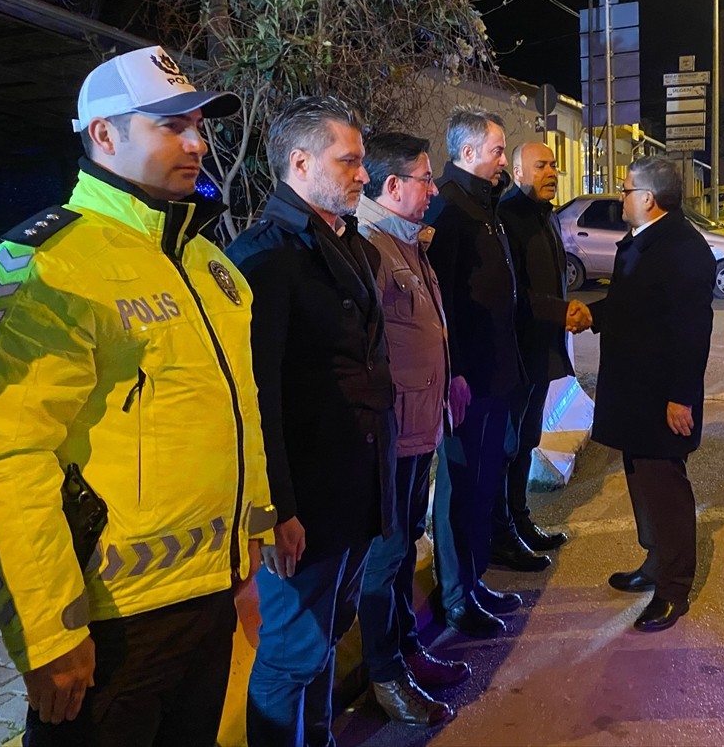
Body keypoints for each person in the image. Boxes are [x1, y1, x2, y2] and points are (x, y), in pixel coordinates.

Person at [0, 45, 274, 744]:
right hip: (107, 625)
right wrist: (47, 634)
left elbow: (241, 410)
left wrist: (248, 546)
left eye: (199, 125)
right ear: (104, 135)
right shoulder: (43, 268)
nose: (197, 143)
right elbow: (2, 461)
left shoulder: (209, 263)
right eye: (171, 126)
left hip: (208, 598)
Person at [226, 95, 397, 745]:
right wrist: (276, 507)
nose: (363, 173)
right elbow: (257, 399)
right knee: (290, 654)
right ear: (300, 162)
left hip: (356, 490)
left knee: (323, 639)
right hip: (308, 504)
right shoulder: (266, 257)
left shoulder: (348, 243)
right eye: (350, 161)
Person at [354, 131, 466, 727]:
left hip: (421, 422)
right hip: (391, 432)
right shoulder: (371, 247)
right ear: (392, 186)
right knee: (387, 551)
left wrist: (450, 378)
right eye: (425, 179)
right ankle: (385, 673)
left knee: (401, 547)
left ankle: (403, 650)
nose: (433, 190)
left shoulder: (407, 243)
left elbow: (423, 328)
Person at [424, 107, 543, 639]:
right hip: (466, 385)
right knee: (461, 489)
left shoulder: (482, 205)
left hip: (497, 376)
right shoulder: (450, 211)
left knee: (482, 486)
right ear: (468, 152)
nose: (503, 159)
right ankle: (456, 596)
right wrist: (453, 375)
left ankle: (473, 581)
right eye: (497, 150)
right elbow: (441, 304)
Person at [586, 156, 715, 633]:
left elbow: (691, 330)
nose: (621, 197)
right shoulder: (645, 240)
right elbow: (631, 304)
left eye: (625, 190)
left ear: (648, 199)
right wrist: (594, 316)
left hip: (661, 396)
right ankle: (655, 563)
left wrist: (681, 396)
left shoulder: (683, 248)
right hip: (633, 391)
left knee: (666, 490)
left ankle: (673, 589)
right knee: (642, 480)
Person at [495, 142, 586, 553]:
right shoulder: (508, 217)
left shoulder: (544, 214)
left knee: (528, 438)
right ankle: (505, 530)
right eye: (541, 165)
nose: (552, 171)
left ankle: (520, 521)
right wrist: (561, 311)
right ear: (517, 171)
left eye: (553, 164)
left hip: (538, 352)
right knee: (510, 444)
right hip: (516, 353)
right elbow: (514, 292)